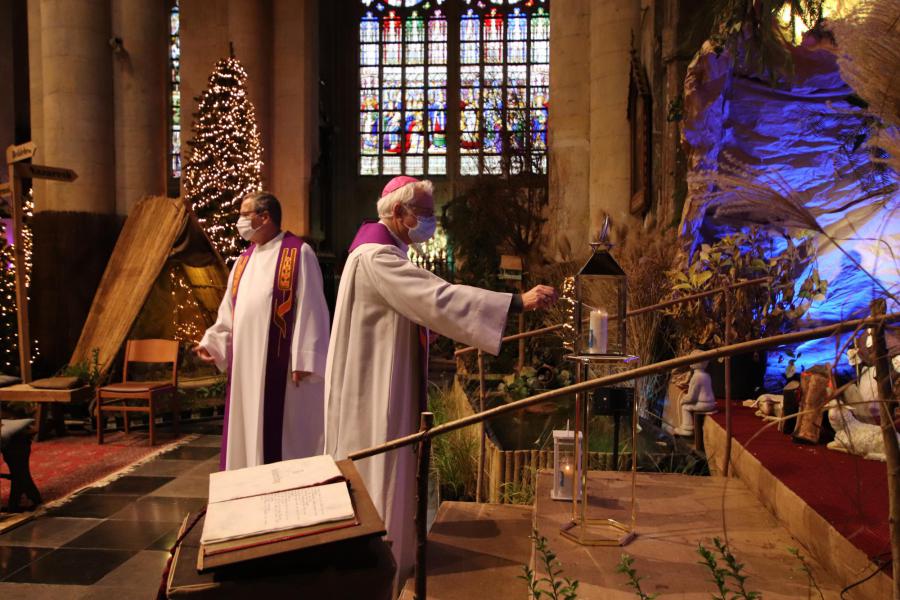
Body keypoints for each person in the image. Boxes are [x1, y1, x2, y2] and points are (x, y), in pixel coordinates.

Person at [324, 176, 557, 588]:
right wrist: (516, 302)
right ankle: (381, 572)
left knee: (388, 470)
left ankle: (391, 562)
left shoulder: (381, 252)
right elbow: (438, 298)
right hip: (374, 393)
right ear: (398, 212)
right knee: (380, 469)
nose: (430, 222)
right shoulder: (378, 256)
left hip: (380, 383)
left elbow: (423, 306)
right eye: (425, 214)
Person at [194, 191, 330, 471]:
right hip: (246, 368)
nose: (240, 221)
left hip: (283, 369)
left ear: (265, 217)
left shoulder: (297, 253)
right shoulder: (243, 260)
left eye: (245, 215)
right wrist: (214, 342)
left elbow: (312, 305)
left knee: (283, 438)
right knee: (246, 430)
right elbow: (230, 310)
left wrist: (305, 357)